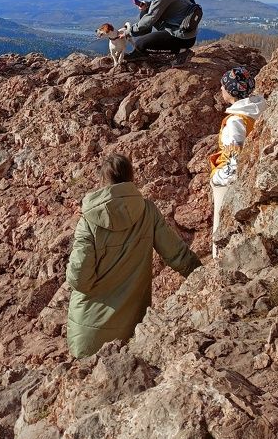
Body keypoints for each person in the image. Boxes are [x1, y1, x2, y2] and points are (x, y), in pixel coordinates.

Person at [66, 153, 201, 359]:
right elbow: (177, 255)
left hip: (89, 333)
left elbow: (79, 279)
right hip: (131, 329)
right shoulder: (147, 211)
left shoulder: (89, 221)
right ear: (131, 177)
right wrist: (204, 277)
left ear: (102, 181)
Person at [209, 66, 267, 258]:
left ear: (232, 91)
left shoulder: (235, 122)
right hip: (253, 171)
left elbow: (234, 162)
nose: (221, 89)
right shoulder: (258, 109)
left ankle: (218, 260)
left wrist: (217, 178)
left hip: (228, 184)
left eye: (224, 86)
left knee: (220, 226)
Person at [119, 0, 197, 60]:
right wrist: (148, 4)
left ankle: (182, 51)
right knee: (146, 10)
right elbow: (162, 4)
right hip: (179, 28)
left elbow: (151, 17)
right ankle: (144, 45)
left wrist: (129, 32)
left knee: (139, 45)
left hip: (181, 36)